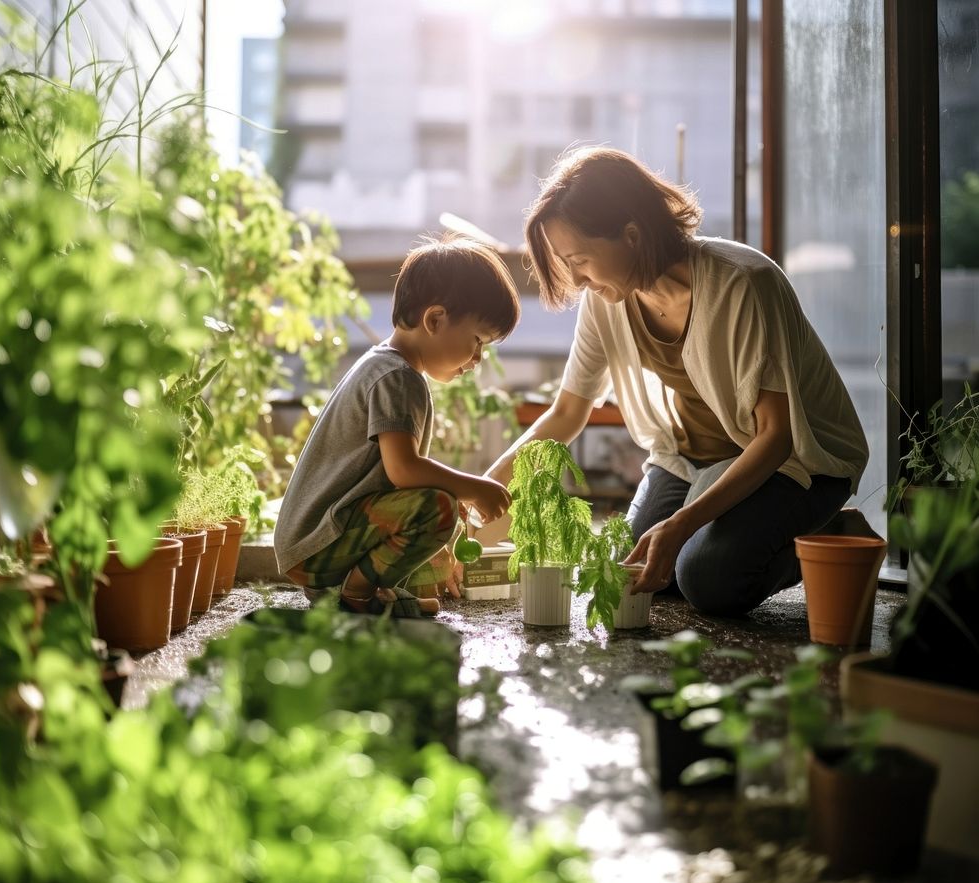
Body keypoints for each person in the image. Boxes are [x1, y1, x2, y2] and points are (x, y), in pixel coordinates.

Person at [485, 146, 869, 617]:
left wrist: (684, 522)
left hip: (795, 465)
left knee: (707, 580)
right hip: (687, 461)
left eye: (580, 259)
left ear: (631, 234)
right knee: (639, 573)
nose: (577, 280)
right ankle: (715, 522)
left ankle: (837, 539)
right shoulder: (607, 302)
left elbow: (775, 437)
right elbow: (568, 412)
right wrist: (487, 484)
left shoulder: (742, 284)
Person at [274, 235, 518, 618]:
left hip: (318, 540)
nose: (477, 359)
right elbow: (404, 471)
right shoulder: (396, 377)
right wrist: (474, 487)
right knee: (437, 508)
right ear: (435, 319)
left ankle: (356, 593)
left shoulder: (386, 367)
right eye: (477, 341)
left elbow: (402, 479)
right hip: (319, 544)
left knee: (441, 528)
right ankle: (356, 596)